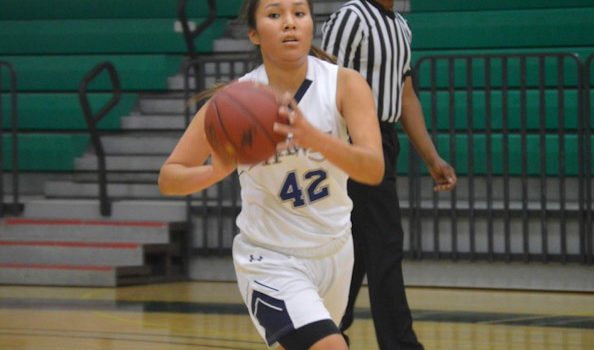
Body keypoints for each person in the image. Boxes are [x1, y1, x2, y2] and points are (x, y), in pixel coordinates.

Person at [159, 0, 385, 349]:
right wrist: (215, 171)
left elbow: (373, 169)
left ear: (312, 24)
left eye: (299, 13)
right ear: (254, 34)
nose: (289, 23)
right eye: (275, 14)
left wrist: (314, 139)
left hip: (337, 251)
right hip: (270, 259)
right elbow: (169, 177)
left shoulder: (345, 85)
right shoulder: (233, 103)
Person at [321, 1, 458, 349]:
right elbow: (322, 81)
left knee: (359, 249)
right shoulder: (351, 17)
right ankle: (400, 343)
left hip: (384, 139)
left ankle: (323, 331)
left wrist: (431, 156)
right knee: (384, 242)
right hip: (352, 138)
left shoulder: (400, 26)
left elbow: (406, 96)